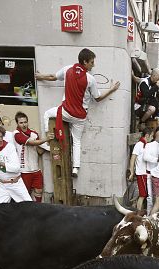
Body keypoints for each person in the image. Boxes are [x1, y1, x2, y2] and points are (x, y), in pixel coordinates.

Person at [36, 48, 121, 179]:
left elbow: (53, 77)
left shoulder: (68, 69)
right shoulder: (90, 79)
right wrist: (111, 89)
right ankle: (76, 168)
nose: (94, 65)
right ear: (85, 62)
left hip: (66, 112)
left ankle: (47, 143)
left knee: (47, 114)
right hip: (80, 116)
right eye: (92, 62)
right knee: (77, 141)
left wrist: (40, 76)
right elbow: (97, 98)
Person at [0, 124, 32, 204]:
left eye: (1, 136)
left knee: (29, 207)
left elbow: (16, 168)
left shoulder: (10, 147)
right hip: (2, 185)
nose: (1, 139)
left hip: (15, 184)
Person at [129, 127, 152, 211]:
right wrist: (131, 171)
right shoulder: (139, 144)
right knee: (143, 194)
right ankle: (138, 212)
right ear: (147, 135)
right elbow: (133, 158)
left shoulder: (146, 145)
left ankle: (136, 205)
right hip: (141, 172)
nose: (152, 138)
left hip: (145, 172)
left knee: (143, 194)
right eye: (151, 136)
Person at [143, 126, 159, 212]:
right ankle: (149, 214)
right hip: (150, 174)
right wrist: (157, 160)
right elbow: (146, 157)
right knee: (150, 197)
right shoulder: (149, 145)